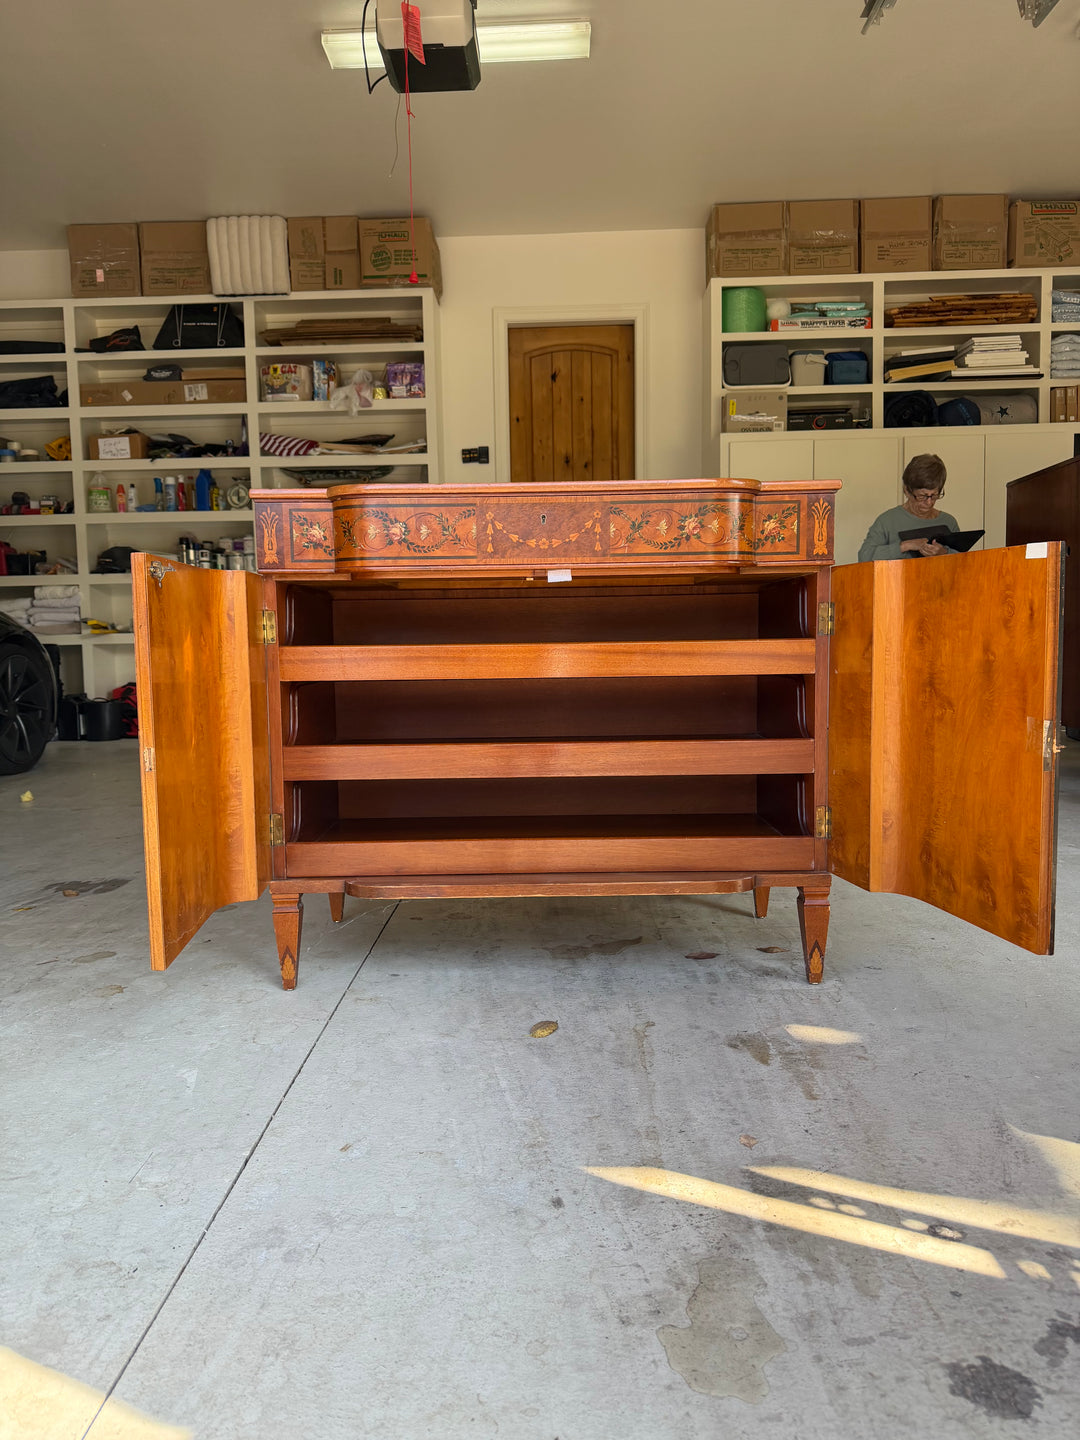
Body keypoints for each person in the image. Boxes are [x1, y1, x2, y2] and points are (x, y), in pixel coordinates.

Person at [858, 453, 960, 561]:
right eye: (922, 496)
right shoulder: (887, 521)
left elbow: (963, 561)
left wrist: (944, 552)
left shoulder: (949, 522)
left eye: (934, 495)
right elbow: (864, 557)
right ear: (906, 490)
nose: (929, 502)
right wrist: (905, 546)